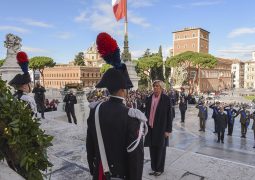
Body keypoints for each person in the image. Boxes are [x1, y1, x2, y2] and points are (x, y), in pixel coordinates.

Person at [86, 32, 146, 180]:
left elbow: (90, 147)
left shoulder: (95, 111)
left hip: (100, 172)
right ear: (122, 89)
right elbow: (135, 159)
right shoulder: (131, 116)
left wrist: (94, 170)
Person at [144, 80, 172, 176]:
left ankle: (159, 169)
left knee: (160, 149)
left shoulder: (166, 99)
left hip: (161, 128)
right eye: (154, 86)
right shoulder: (149, 98)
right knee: (152, 148)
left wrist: (168, 130)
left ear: (161, 88)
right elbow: (146, 113)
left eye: (157, 86)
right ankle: (153, 168)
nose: (155, 88)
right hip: (150, 128)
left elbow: (170, 115)